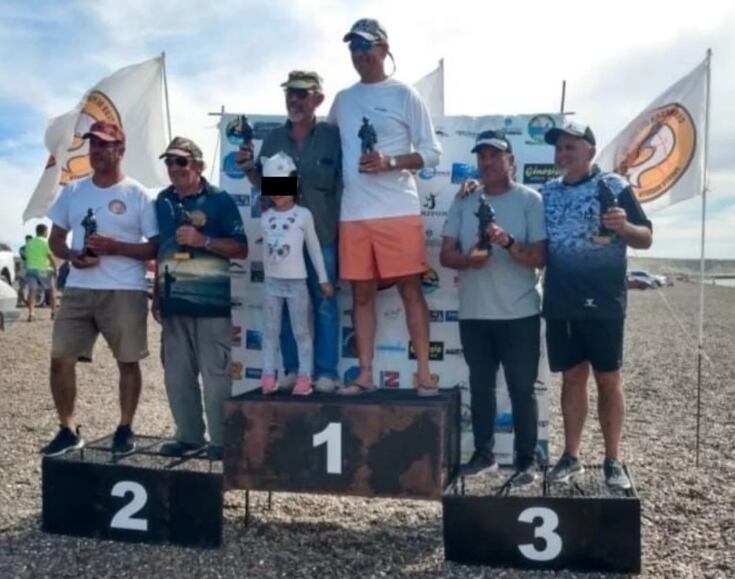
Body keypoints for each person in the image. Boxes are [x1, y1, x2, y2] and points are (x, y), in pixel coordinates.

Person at [328, 18, 442, 395]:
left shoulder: (404, 94)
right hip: (354, 213)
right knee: (360, 295)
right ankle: (364, 373)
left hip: (397, 210)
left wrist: (391, 162)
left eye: (366, 46)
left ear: (384, 48)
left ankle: (424, 372)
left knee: (411, 290)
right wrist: (265, 180)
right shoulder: (343, 99)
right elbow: (324, 154)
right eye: (353, 48)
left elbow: (432, 153)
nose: (359, 55)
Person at [542, 122, 652, 490]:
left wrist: (624, 227)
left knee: (608, 378)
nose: (562, 155)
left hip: (604, 300)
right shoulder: (547, 193)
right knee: (572, 377)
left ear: (590, 151)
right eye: (558, 149)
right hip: (561, 299)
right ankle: (571, 456)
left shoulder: (616, 186)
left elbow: (646, 238)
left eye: (570, 147)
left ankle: (612, 461)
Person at [41, 121, 159, 457]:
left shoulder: (137, 194)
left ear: (120, 150)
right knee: (60, 359)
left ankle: (124, 427)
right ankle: (67, 428)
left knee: (128, 361)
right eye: (92, 144)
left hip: (124, 289)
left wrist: (115, 247)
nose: (96, 151)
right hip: (79, 287)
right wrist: (73, 256)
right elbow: (56, 240)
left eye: (104, 145)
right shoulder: (74, 191)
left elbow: (154, 248)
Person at [441, 131, 547, 486]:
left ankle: (527, 461)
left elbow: (539, 257)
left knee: (522, 389)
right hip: (475, 313)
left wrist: (508, 242)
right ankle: (483, 455)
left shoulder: (531, 200)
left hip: (520, 314)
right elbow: (445, 255)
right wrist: (468, 261)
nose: (486, 162)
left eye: (494, 155)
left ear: (511, 161)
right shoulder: (464, 200)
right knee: (481, 388)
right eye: (481, 156)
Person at [237, 71, 342, 393]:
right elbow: (265, 187)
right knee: (282, 306)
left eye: (301, 93)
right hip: (282, 241)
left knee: (325, 305)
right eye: (289, 94)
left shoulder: (332, 137)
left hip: (321, 235)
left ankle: (325, 373)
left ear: (317, 99)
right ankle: (294, 370)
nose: (293, 99)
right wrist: (249, 170)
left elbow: (346, 183)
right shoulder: (272, 140)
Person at [154, 137, 248, 462]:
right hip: (173, 303)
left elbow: (241, 247)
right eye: (169, 162)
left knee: (216, 375)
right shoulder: (161, 201)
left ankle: (222, 441)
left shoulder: (220, 199)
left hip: (211, 306)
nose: (174, 168)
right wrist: (156, 295)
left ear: (198, 165)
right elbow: (160, 250)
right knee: (176, 375)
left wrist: (203, 240)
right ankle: (188, 436)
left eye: (181, 162)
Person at [259, 166, 334, 395]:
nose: (277, 192)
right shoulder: (265, 216)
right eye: (272, 186)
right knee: (271, 331)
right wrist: (266, 277)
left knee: (301, 331)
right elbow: (265, 254)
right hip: (272, 283)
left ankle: (304, 376)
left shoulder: (303, 215)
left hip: (297, 282)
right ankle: (268, 375)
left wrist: (323, 279)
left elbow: (313, 249)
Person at [23, 224, 57, 321]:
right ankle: (53, 312)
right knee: (51, 291)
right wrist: (55, 269)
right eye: (47, 231)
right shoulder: (46, 242)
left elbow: (26, 256)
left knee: (32, 291)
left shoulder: (29, 243)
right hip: (43, 270)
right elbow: (50, 257)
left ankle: (31, 313)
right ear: (45, 231)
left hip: (30, 269)